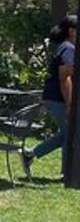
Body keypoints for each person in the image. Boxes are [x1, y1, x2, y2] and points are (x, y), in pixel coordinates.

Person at [22, 15, 76, 177]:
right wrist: (70, 104)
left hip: (55, 97)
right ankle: (68, 173)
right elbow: (64, 77)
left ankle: (29, 154)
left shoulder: (66, 47)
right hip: (59, 98)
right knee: (71, 135)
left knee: (66, 134)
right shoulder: (69, 48)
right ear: (72, 31)